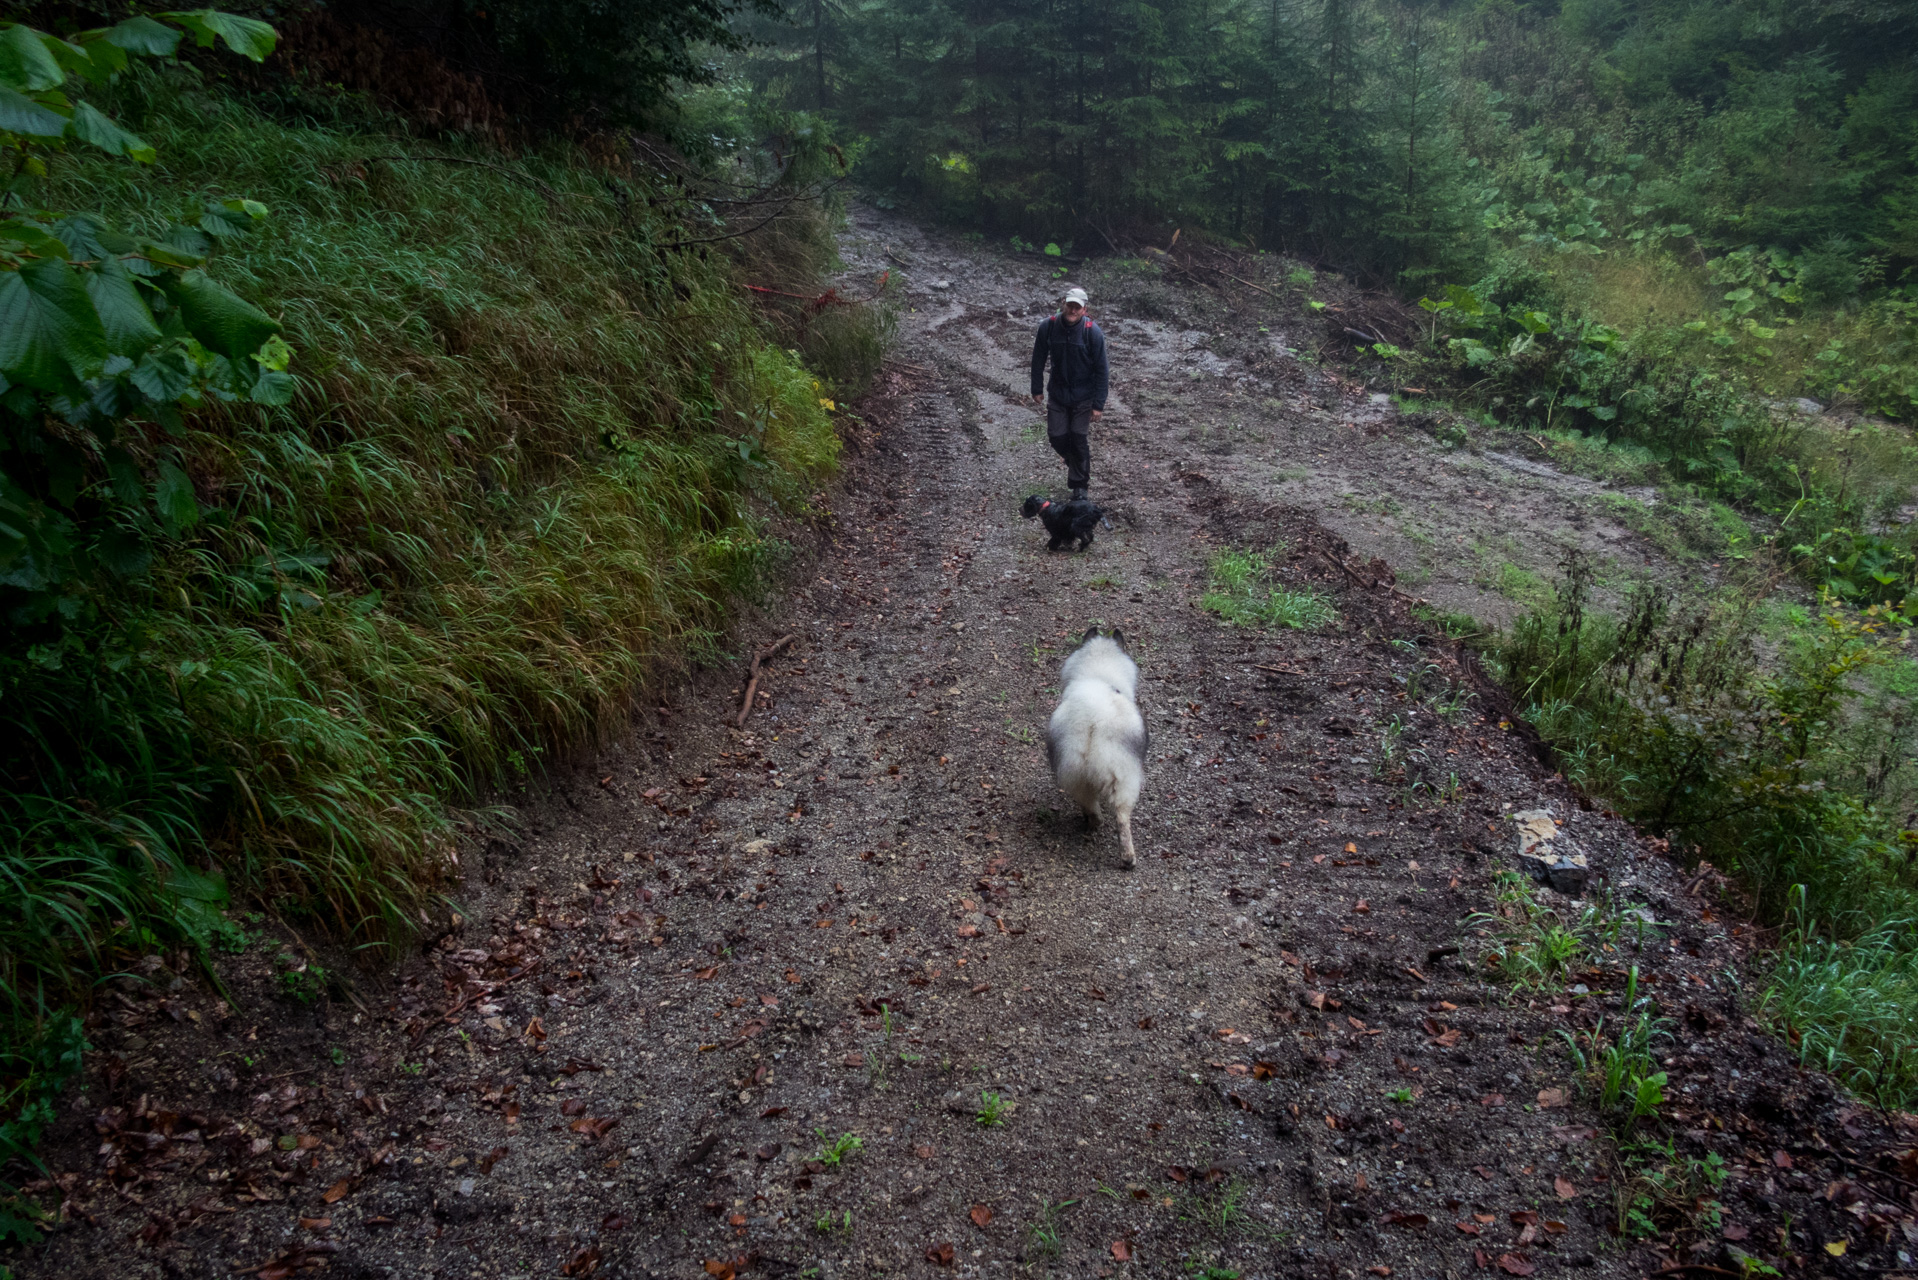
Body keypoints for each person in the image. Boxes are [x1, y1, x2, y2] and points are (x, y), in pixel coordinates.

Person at [1030, 286, 1109, 500]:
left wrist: (1098, 404)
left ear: (1085, 309)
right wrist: (1036, 388)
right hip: (1058, 393)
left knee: (1078, 438)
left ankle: (1079, 486)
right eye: (1070, 305)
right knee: (1057, 437)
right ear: (1063, 302)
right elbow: (1038, 358)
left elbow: (1102, 370)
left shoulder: (1092, 332)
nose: (1072, 310)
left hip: (1084, 395)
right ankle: (1075, 460)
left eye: (1077, 307)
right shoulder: (1048, 326)